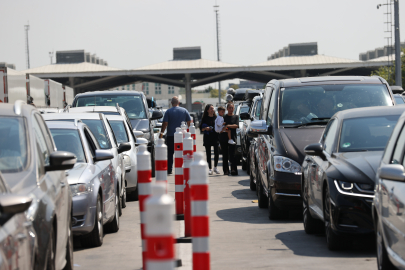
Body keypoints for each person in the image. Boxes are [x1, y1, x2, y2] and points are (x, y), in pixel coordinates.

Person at [159, 96, 191, 174]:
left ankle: (169, 169)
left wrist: (162, 133)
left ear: (171, 103)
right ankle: (183, 168)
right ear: (179, 103)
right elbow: (189, 121)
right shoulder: (184, 110)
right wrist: (188, 131)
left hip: (171, 135)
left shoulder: (168, 111)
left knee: (170, 153)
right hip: (182, 136)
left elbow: (165, 123)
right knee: (183, 152)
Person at [219, 102, 239, 176]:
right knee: (225, 155)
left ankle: (233, 169)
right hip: (223, 138)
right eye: (229, 108)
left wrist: (227, 125)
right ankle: (226, 170)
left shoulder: (236, 117)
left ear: (234, 108)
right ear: (227, 109)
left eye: (232, 108)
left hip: (232, 138)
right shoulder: (223, 117)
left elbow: (236, 125)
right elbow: (220, 126)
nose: (231, 109)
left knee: (232, 155)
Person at [200, 104, 220, 175]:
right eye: (211, 109)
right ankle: (210, 168)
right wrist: (206, 128)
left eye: (213, 108)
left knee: (216, 153)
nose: (212, 110)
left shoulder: (216, 117)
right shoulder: (204, 118)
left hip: (215, 137)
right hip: (207, 137)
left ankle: (215, 167)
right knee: (208, 154)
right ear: (207, 110)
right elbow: (201, 129)